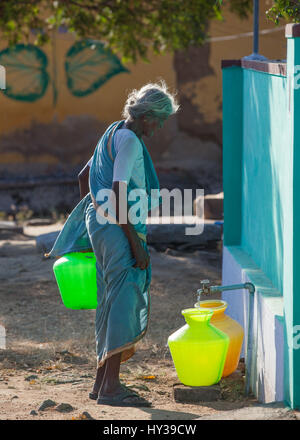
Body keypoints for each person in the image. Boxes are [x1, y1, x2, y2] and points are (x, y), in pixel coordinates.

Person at [47, 81, 179, 407]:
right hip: (119, 229)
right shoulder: (131, 141)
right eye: (159, 120)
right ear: (147, 116)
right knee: (121, 301)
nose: (160, 127)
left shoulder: (112, 132)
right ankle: (111, 389)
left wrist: (95, 227)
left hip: (100, 224)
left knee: (108, 300)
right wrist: (134, 243)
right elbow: (119, 192)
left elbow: (84, 177)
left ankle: (100, 384)